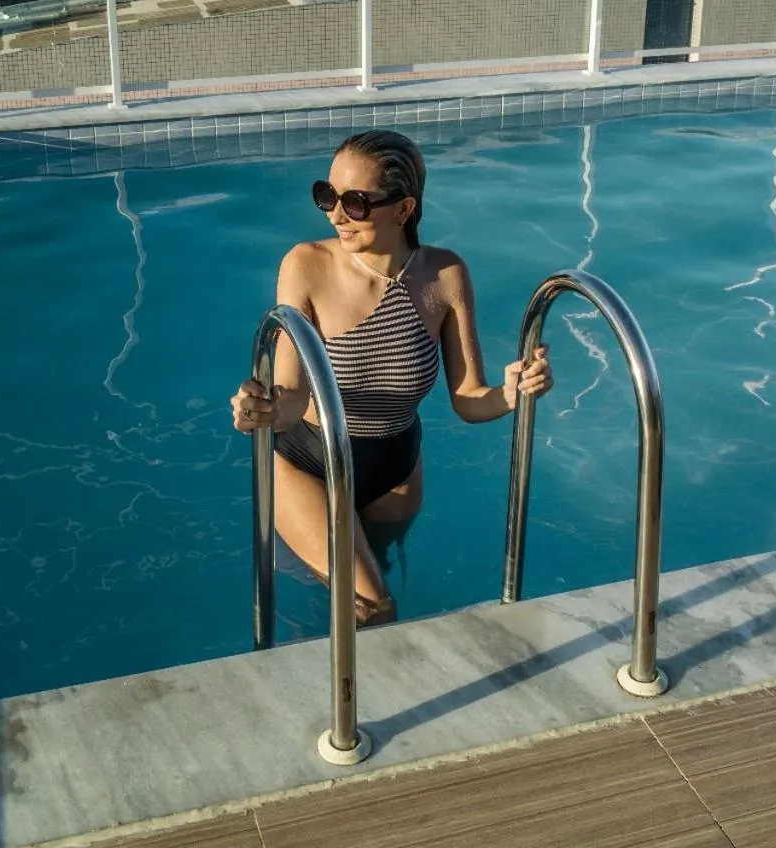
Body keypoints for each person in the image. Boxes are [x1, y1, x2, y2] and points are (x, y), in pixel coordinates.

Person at [231, 129, 553, 626]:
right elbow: (292, 393)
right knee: (372, 606)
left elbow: (468, 399)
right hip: (308, 461)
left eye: (356, 202)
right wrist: (267, 408)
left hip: (396, 472)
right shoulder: (307, 265)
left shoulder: (445, 276)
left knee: (365, 584)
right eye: (327, 195)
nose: (336, 213)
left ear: (404, 209)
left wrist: (510, 394)